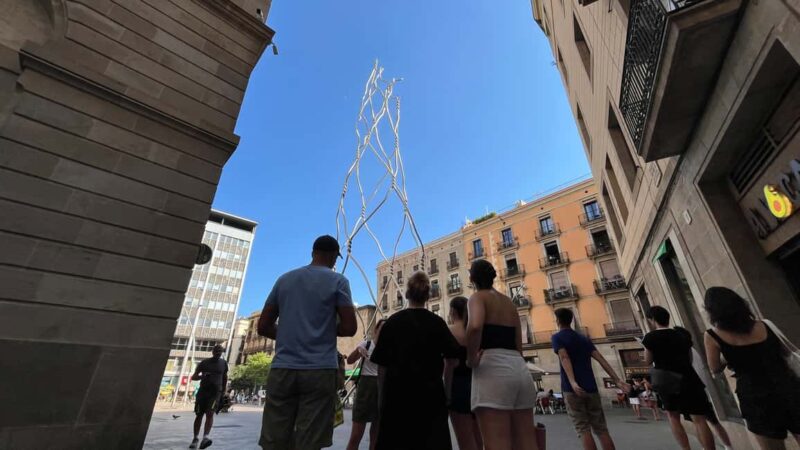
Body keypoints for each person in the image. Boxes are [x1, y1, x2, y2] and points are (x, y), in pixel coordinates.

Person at [257, 235, 358, 450]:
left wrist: (289, 334)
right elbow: (350, 327)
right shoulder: (338, 281)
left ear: (313, 253)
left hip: (283, 368)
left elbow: (263, 326)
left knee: (274, 438)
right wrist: (324, 330)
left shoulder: (284, 280)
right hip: (319, 370)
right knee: (310, 441)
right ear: (334, 257)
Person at [370, 271, 460, 450]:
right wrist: (447, 391)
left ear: (407, 294)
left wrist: (381, 398)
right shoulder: (437, 323)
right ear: (428, 296)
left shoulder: (392, 323)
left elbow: (382, 367)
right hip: (431, 400)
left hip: (397, 401)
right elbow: (453, 359)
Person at [703, 287, 800, 449]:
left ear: (712, 311)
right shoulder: (765, 325)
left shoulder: (713, 335)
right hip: (787, 386)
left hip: (755, 397)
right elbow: (785, 352)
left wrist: (728, 356)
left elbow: (715, 368)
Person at [465, 259, 539, 450]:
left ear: (472, 279)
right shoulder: (508, 302)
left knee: (496, 443)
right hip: (519, 369)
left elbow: (475, 326)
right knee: (527, 442)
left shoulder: (477, 298)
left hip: (492, 369)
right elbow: (519, 343)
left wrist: (471, 358)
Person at [552, 308, 629, 450]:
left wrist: (573, 382)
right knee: (601, 428)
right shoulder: (584, 339)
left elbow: (564, 357)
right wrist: (617, 379)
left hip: (572, 390)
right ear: (571, 320)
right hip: (591, 388)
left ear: (557, 321)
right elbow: (601, 359)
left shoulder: (557, 337)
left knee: (583, 428)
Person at [642, 306, 716, 450]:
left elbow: (648, 360)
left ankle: (686, 448)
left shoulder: (650, 338)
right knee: (699, 419)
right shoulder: (682, 335)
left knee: (673, 417)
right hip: (688, 377)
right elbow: (689, 357)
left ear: (653, 320)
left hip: (666, 380)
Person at [444, 296, 482, 450]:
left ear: (452, 311)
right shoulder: (474, 332)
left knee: (464, 440)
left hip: (457, 388)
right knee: (478, 439)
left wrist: (447, 394)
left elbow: (448, 366)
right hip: (477, 386)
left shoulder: (449, 331)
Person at [345, 319, 387, 450]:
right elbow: (350, 360)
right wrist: (358, 350)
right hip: (365, 390)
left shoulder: (389, 349)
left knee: (376, 438)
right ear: (376, 330)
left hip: (381, 390)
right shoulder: (366, 344)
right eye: (382, 329)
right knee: (356, 436)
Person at [189, 344, 229, 449]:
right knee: (199, 415)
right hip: (203, 393)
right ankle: (195, 438)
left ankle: (205, 438)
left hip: (215, 394)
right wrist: (202, 376)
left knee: (210, 413)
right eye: (217, 351)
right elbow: (194, 377)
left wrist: (224, 391)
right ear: (213, 351)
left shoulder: (224, 363)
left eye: (220, 351)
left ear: (222, 352)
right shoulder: (204, 363)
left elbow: (225, 377)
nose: (218, 353)